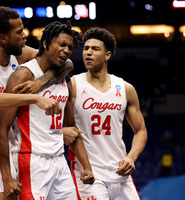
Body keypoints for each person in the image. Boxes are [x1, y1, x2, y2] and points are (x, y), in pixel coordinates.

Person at [0, 6, 72, 200]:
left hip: (7, 152)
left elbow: (66, 63)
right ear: (3, 38)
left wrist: (40, 82)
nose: (24, 35)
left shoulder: (19, 55)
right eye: (19, 32)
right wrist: (34, 97)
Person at [0, 21, 95, 200]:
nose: (67, 50)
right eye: (62, 44)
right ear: (46, 43)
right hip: (32, 161)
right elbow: (2, 129)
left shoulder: (64, 77)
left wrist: (87, 167)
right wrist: (7, 178)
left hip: (59, 161)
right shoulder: (22, 76)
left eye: (70, 47)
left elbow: (72, 129)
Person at [68, 27, 148, 200]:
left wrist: (131, 157)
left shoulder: (125, 89)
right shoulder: (73, 86)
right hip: (89, 175)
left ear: (108, 55)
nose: (88, 53)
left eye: (95, 49)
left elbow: (140, 130)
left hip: (120, 173)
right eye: (86, 48)